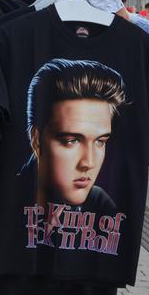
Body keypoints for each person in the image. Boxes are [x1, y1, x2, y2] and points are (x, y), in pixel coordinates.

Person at [24, 58, 126, 214]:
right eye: (71, 141)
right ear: (36, 140)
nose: (88, 163)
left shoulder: (101, 204)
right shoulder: (5, 202)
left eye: (100, 141)